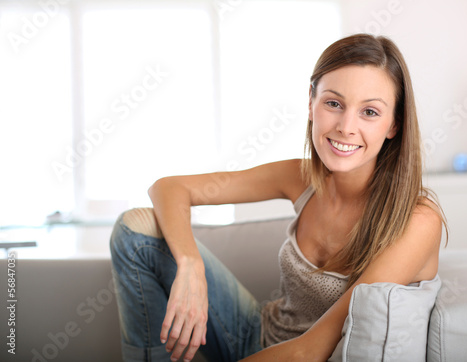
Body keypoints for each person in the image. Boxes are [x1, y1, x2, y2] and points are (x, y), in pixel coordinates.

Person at [110, 33, 447, 362]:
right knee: (134, 230)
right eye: (334, 103)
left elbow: (310, 350)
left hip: (299, 354)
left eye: (369, 112)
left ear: (394, 125)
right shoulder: (302, 177)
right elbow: (169, 187)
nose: (346, 126)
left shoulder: (417, 221)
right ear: (312, 104)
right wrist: (189, 265)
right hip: (254, 333)